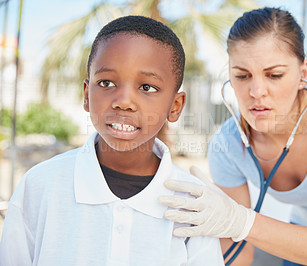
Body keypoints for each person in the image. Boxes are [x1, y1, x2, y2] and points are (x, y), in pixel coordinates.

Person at [159, 7, 307, 266]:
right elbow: (239, 253)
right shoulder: (227, 145)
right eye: (242, 75)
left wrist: (240, 220)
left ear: (303, 74)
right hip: (302, 235)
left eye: (274, 75)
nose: (257, 91)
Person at [0, 16, 224, 265]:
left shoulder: (194, 204)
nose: (124, 101)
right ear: (87, 95)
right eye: (106, 83)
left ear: (176, 105)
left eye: (147, 87)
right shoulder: (40, 185)